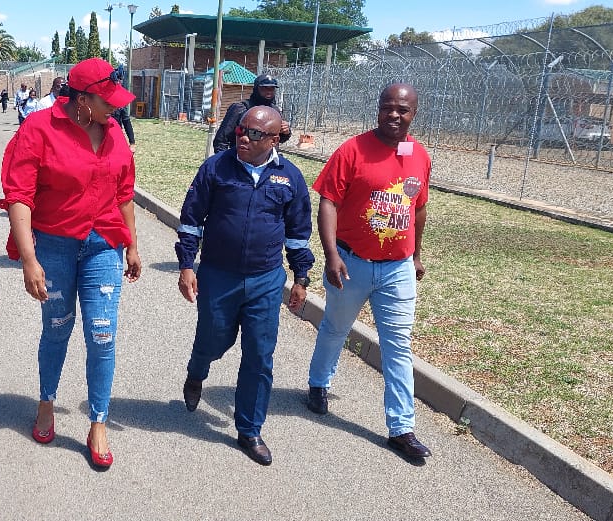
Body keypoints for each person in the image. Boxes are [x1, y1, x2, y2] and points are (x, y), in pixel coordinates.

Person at [0, 57, 141, 469]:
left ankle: (98, 419)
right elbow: (19, 196)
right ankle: (47, 400)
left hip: (103, 244)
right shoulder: (39, 130)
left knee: (102, 334)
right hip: (55, 245)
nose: (116, 108)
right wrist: (28, 258)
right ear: (81, 99)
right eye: (107, 100)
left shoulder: (113, 131)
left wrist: (131, 246)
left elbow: (125, 193)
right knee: (57, 328)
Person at [176, 105, 314, 466]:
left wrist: (301, 278)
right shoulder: (216, 168)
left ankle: (249, 430)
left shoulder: (290, 178)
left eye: (254, 133)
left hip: (266, 280)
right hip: (218, 275)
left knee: (259, 354)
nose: (244, 138)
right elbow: (192, 219)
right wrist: (186, 265)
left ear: (273, 139)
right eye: (241, 130)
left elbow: (299, 235)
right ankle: (197, 371)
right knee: (214, 339)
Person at [305, 82, 433, 459]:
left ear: (414, 113)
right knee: (335, 327)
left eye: (403, 109)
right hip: (352, 262)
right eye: (388, 107)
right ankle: (318, 384)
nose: (394, 115)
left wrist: (416, 256)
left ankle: (401, 427)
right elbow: (328, 202)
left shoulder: (419, 156)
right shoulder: (353, 150)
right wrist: (331, 254)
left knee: (399, 345)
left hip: (397, 268)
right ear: (378, 109)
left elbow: (418, 208)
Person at [212, 74, 292, 153]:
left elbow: (278, 139)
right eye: (264, 89)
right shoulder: (240, 108)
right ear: (256, 89)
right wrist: (225, 162)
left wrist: (286, 132)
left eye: (272, 89)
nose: (268, 92)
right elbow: (221, 140)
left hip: (267, 161)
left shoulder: (275, 111)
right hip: (243, 160)